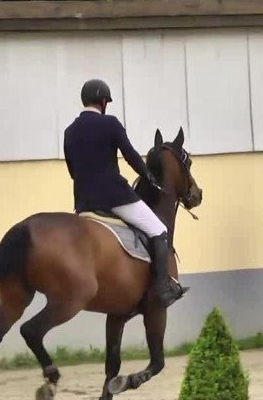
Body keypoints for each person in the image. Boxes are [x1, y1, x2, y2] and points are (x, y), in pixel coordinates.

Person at [63, 78, 188, 308]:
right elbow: (130, 155)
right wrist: (148, 175)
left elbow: (73, 171)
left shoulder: (69, 131)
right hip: (115, 198)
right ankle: (161, 288)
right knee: (159, 230)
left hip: (84, 204)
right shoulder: (110, 123)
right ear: (103, 102)